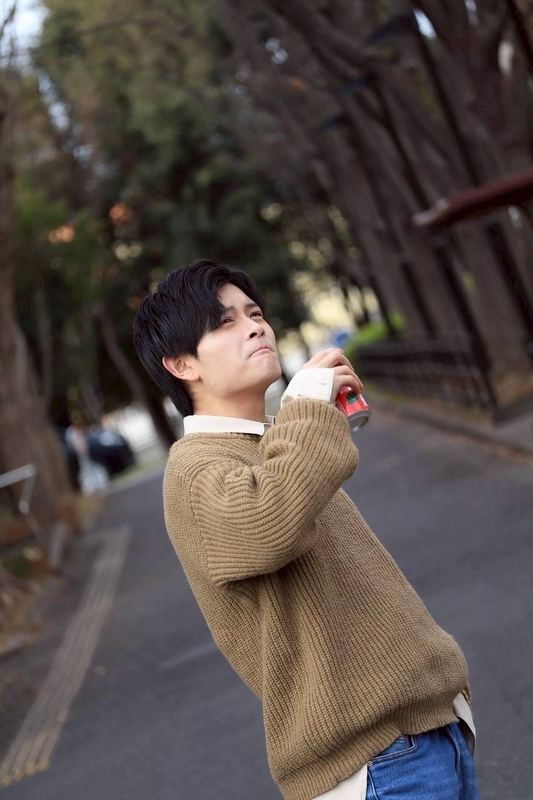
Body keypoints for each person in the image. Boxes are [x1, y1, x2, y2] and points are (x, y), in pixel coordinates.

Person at [133, 259, 479, 800]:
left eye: (255, 313)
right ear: (181, 364)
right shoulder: (194, 468)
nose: (255, 327)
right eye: (224, 322)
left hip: (431, 734)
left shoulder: (271, 444)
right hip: (379, 765)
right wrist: (304, 409)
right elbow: (267, 527)